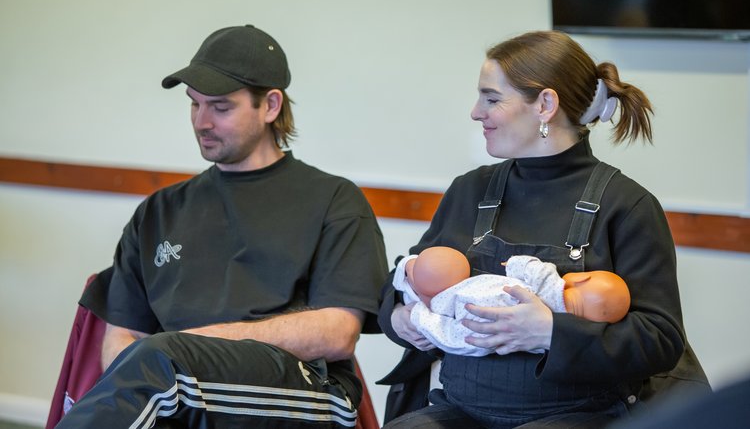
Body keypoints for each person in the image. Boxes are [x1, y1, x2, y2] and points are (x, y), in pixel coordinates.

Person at [57, 24, 388, 428]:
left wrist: (190, 347)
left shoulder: (334, 200)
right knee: (155, 368)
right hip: (174, 386)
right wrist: (171, 359)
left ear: (269, 105)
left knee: (162, 362)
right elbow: (122, 339)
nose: (201, 121)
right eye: (193, 105)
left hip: (305, 393)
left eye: (220, 107)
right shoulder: (159, 211)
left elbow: (337, 333)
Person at [376, 30, 708, 428]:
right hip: (462, 409)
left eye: (492, 98)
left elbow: (660, 339)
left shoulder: (627, 205)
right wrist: (399, 320)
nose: (476, 112)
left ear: (545, 105)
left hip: (579, 415)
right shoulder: (470, 190)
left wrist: (550, 333)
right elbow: (404, 282)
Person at [394, 247, 630, 356]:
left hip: (468, 291)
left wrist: (513, 264)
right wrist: (400, 317)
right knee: (460, 338)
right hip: (478, 325)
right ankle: (418, 310)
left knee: (438, 267)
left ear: (581, 278)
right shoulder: (558, 328)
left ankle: (409, 276)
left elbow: (529, 265)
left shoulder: (550, 282)